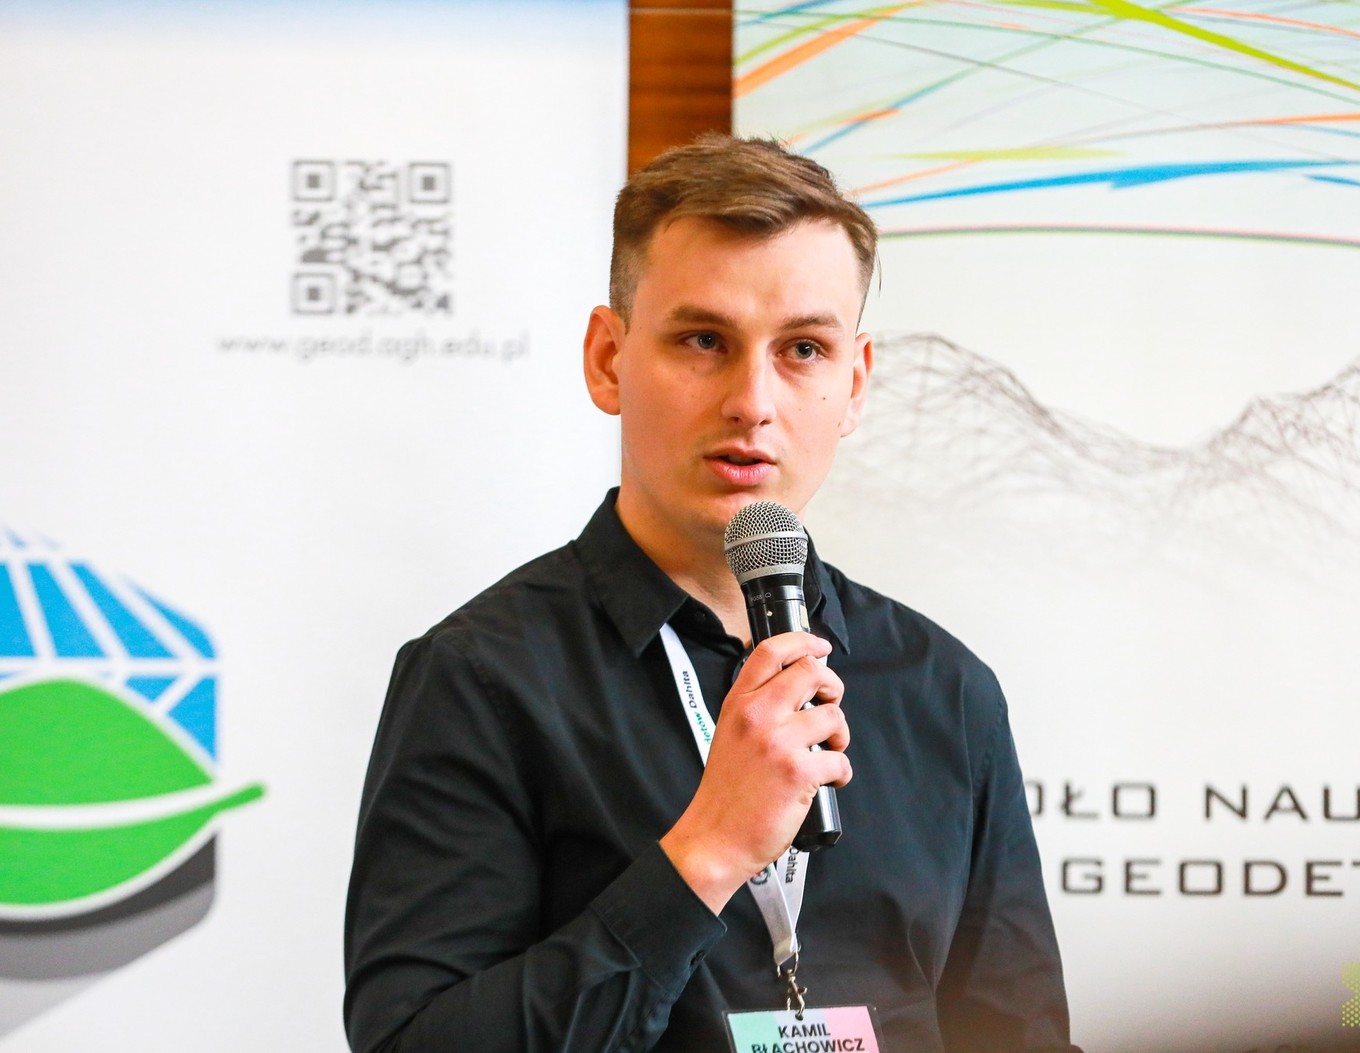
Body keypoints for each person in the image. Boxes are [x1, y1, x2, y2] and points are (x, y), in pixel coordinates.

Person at [344, 135, 1075, 1052]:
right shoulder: (480, 678)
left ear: (853, 384)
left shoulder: (946, 688)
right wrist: (708, 853)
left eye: (803, 348)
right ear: (608, 359)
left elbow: (1018, 1033)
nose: (752, 400)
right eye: (703, 340)